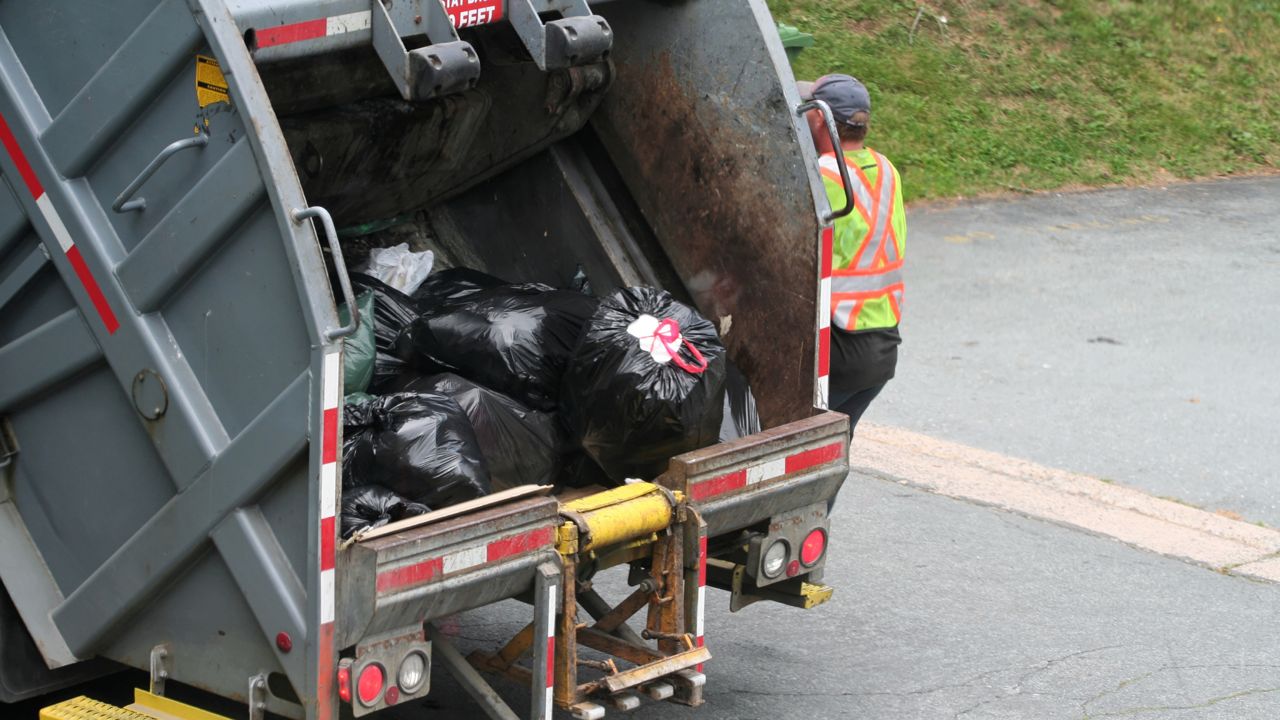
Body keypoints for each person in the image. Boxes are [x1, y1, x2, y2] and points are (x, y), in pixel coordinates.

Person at [799, 74, 905, 432]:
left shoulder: (821, 174)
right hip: (882, 350)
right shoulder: (887, 169)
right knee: (829, 454)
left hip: (838, 351)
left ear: (818, 117)